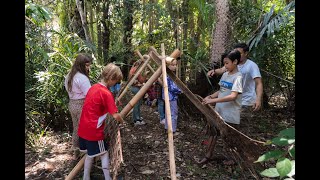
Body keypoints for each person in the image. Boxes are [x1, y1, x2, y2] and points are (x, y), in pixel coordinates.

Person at [77, 63, 124, 180]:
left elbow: (97, 105)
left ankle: (86, 177)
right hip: (94, 131)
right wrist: (122, 121)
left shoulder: (93, 87)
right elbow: (115, 115)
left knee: (89, 154)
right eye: (116, 81)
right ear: (111, 78)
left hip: (83, 129)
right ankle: (108, 178)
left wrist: (112, 103)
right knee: (104, 153)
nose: (115, 84)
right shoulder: (106, 93)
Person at [199, 50, 243, 164]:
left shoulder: (238, 78)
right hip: (219, 111)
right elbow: (222, 90)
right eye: (224, 63)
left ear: (235, 61)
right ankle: (208, 155)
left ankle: (234, 159)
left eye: (227, 63)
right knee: (213, 133)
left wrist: (213, 101)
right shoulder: (225, 74)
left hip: (231, 113)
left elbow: (233, 96)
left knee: (230, 137)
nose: (225, 66)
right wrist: (211, 96)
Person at [207, 43, 263, 112]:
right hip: (233, 100)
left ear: (246, 53)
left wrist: (258, 99)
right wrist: (214, 71)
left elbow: (258, 83)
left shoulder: (252, 66)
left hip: (246, 101)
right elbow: (222, 70)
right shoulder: (231, 64)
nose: (236, 55)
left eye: (239, 53)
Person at [64, 53, 93, 158]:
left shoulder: (69, 75)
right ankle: (84, 151)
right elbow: (89, 94)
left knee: (76, 127)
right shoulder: (81, 77)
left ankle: (76, 150)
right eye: (87, 65)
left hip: (72, 104)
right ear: (81, 65)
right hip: (81, 104)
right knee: (84, 128)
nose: (88, 67)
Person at [162, 57, 182, 135]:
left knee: (168, 113)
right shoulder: (168, 75)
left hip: (168, 97)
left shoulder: (168, 74)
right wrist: (180, 90)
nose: (175, 67)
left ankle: (167, 128)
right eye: (173, 65)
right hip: (171, 97)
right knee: (173, 113)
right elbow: (172, 88)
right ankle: (172, 130)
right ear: (168, 65)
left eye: (175, 65)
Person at [128, 60, 148, 126]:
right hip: (134, 88)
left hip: (134, 88)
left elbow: (140, 81)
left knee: (138, 103)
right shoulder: (135, 70)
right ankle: (136, 119)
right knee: (136, 104)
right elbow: (139, 81)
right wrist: (144, 76)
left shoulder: (135, 69)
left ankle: (138, 117)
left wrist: (144, 75)